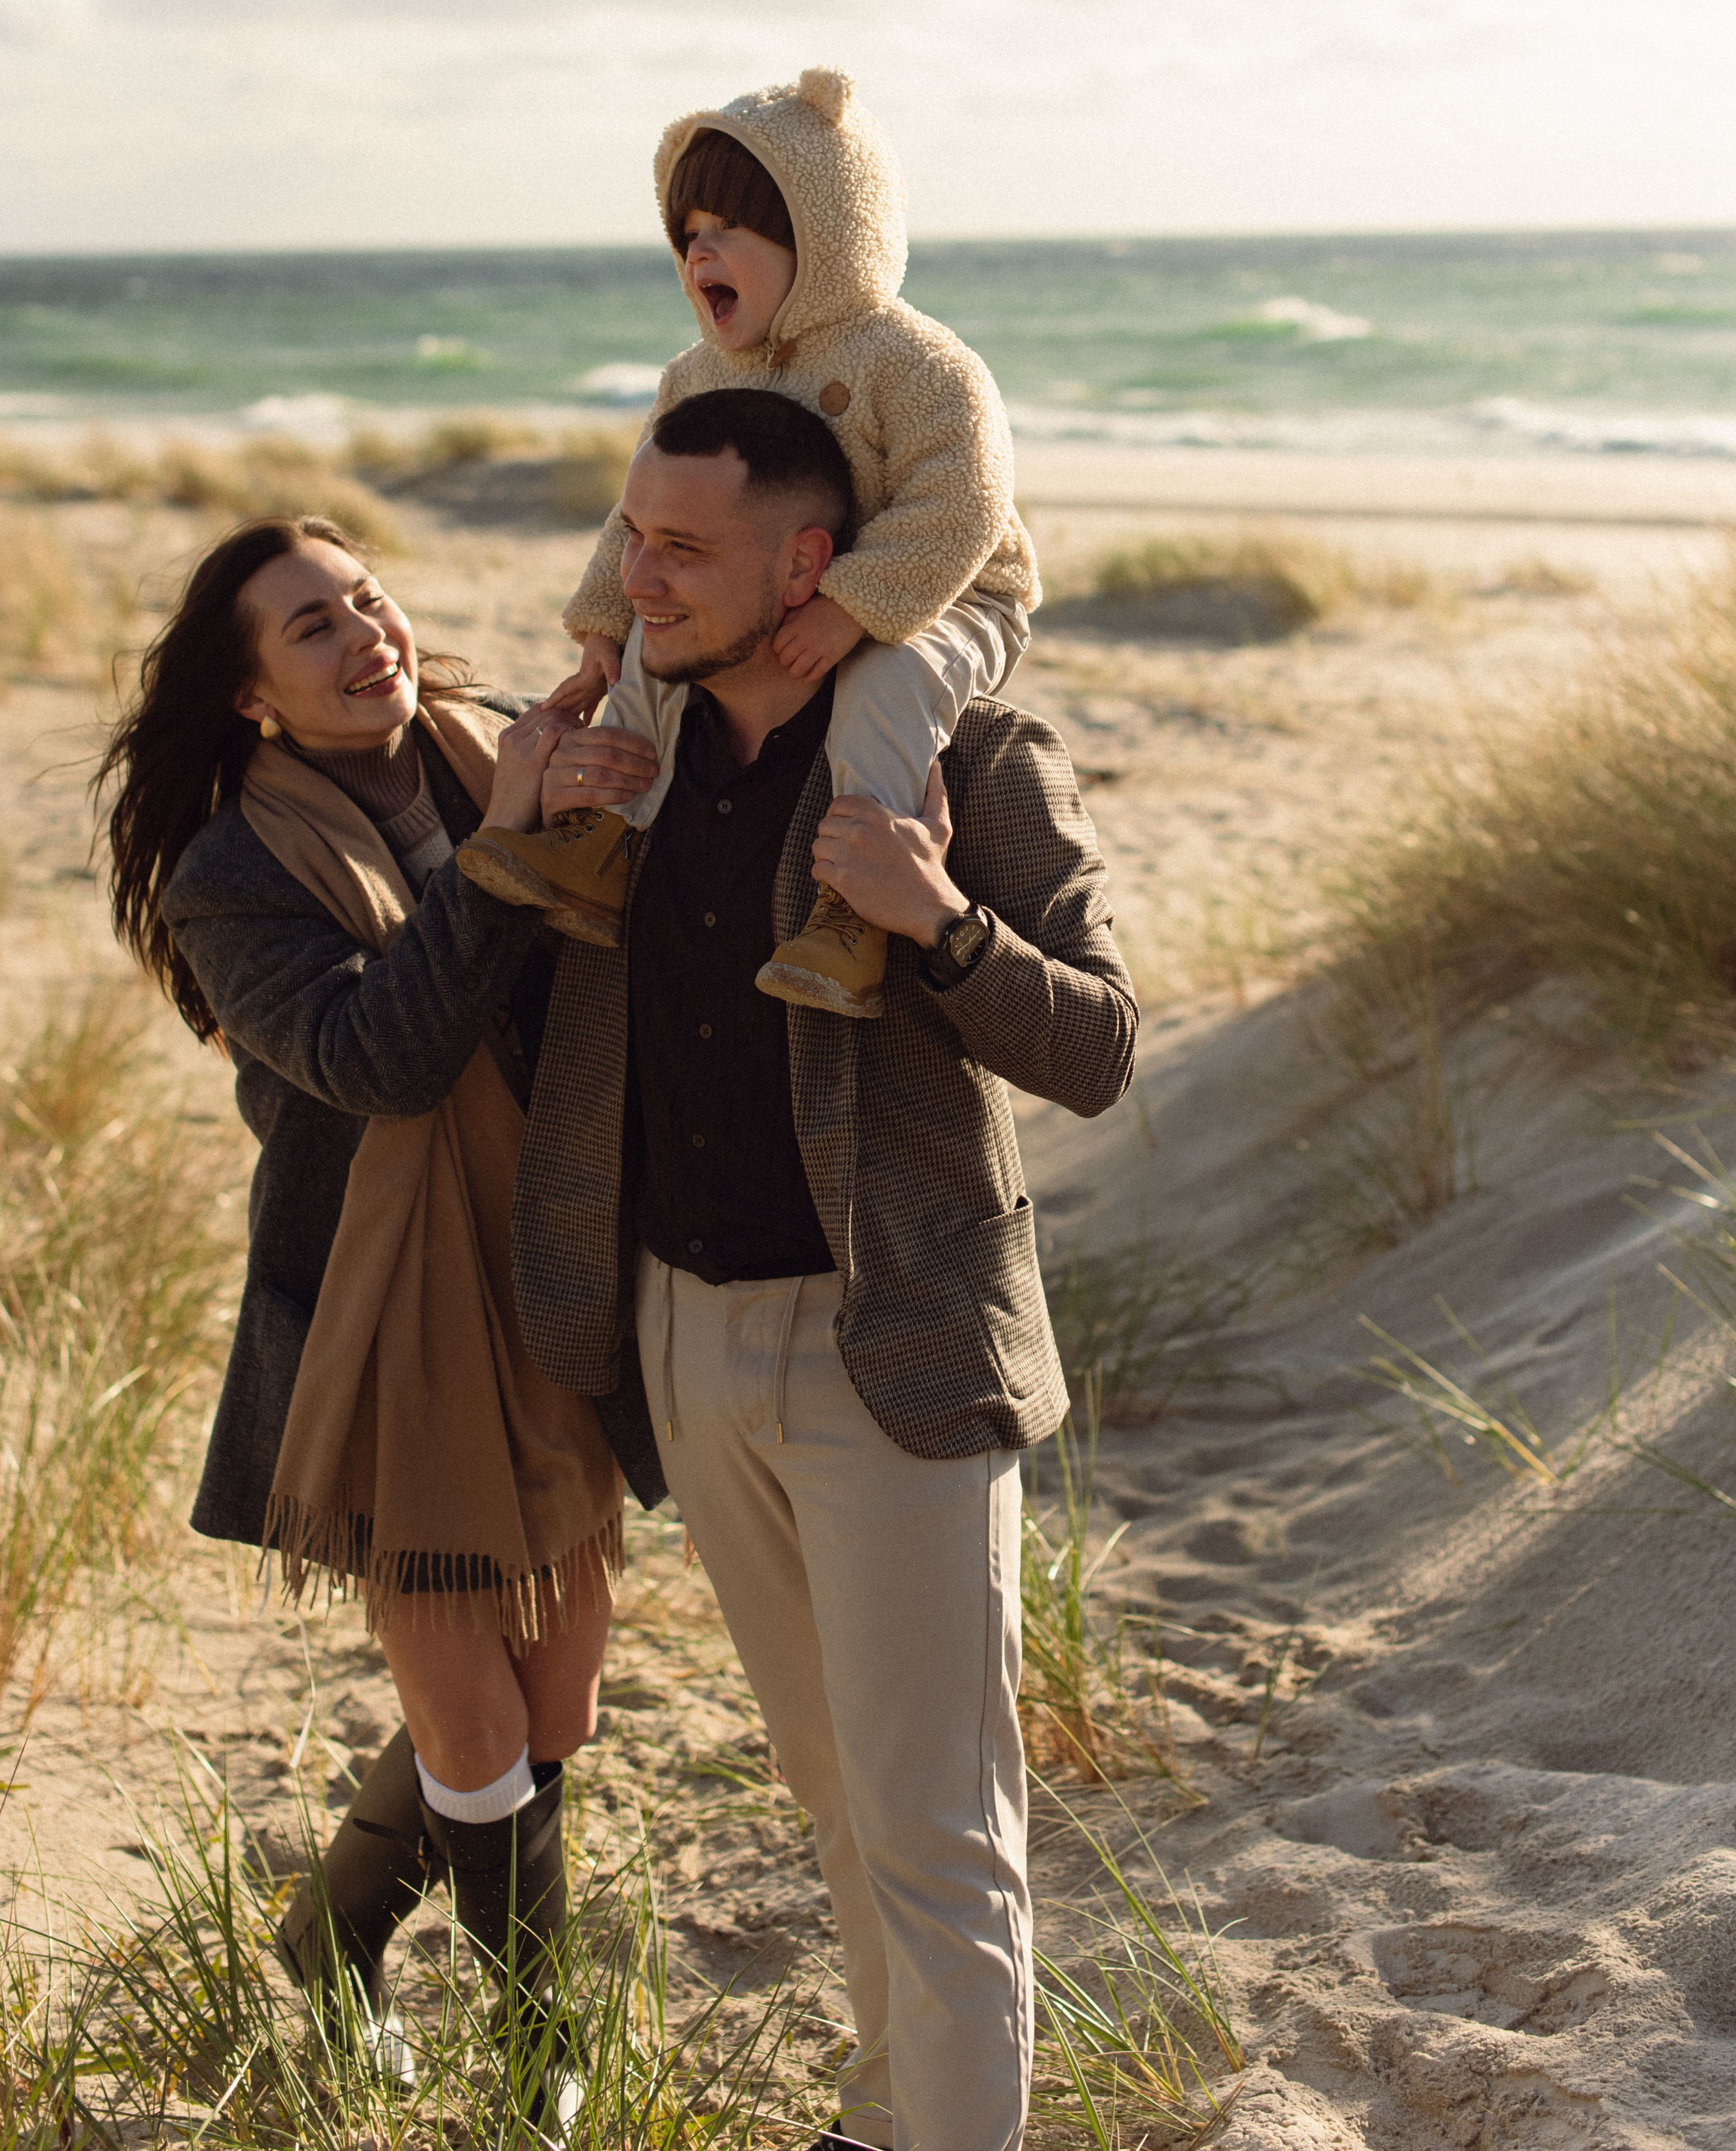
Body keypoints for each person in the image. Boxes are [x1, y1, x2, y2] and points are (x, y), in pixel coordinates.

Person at [482, 390, 1138, 2151]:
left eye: (680, 548)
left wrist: (941, 922)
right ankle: (884, 2109)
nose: (637, 576)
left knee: (936, 1828)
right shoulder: (633, 756)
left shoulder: (972, 756)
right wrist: (521, 823)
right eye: (631, 535)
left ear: (806, 566)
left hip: (889, 1351)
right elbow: (525, 1004)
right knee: (836, 1792)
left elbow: (1097, 1046)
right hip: (678, 1337)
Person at [98, 513, 659, 2117]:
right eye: (312, 628)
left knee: (558, 1707)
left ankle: (333, 1936)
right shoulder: (229, 873)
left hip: (549, 1264)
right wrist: (510, 849)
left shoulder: (499, 754)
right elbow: (381, 1060)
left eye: (365, 596)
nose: (365, 636)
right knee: (472, 1716)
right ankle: (539, 2057)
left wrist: (598, 789)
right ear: (253, 698)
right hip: (378, 1301)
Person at [457, 64, 1039, 1023]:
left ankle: (850, 913)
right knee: (656, 646)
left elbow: (963, 505)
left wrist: (853, 607)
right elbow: (645, 510)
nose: (701, 252)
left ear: (828, 232)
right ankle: (602, 843)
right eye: (688, 233)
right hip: (769, 588)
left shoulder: (918, 362)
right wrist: (605, 617)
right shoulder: (698, 375)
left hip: (946, 591)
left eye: (732, 228)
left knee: (886, 685)